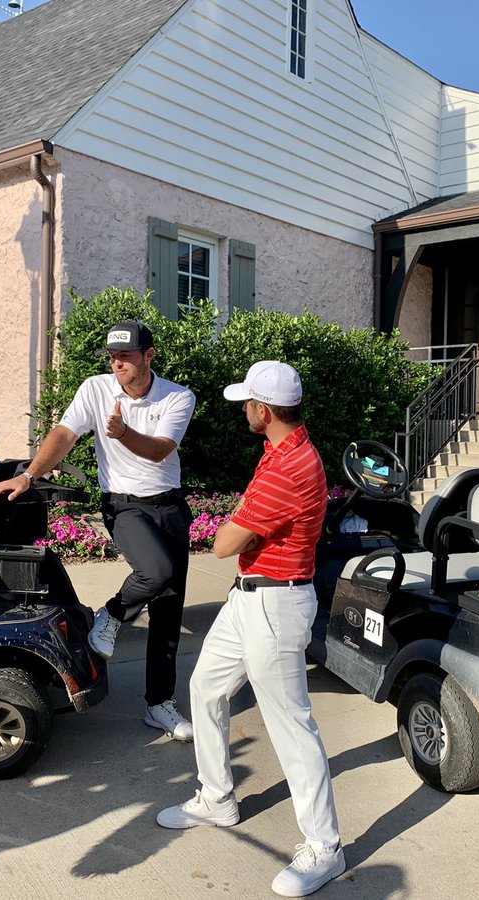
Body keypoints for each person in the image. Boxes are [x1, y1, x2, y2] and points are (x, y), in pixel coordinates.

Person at [157, 361, 345, 899]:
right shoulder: (281, 450)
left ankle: (325, 848)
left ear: (264, 410)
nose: (243, 410)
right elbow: (238, 532)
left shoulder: (289, 467)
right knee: (204, 688)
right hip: (251, 598)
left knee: (291, 725)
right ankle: (217, 799)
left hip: (276, 605)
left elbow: (223, 543)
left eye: (247, 403)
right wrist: (239, 520)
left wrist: (235, 522)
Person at [0, 321, 196, 742]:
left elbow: (159, 451)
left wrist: (123, 433)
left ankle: (159, 704)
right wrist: (29, 474)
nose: (118, 363)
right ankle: (111, 614)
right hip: (125, 505)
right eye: (113, 357)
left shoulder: (178, 396)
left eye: (127, 357)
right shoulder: (95, 388)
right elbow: (65, 433)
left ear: (149, 356)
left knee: (168, 612)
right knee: (156, 571)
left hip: (170, 507)